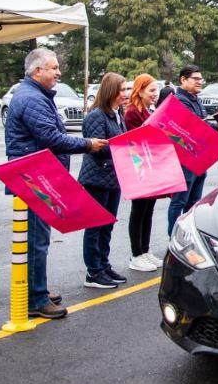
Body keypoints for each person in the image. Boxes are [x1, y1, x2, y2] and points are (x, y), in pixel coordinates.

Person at [4, 48, 107, 319]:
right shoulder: (32, 99)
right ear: (37, 71)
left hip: (38, 175)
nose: (58, 72)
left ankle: (36, 287)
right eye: (53, 68)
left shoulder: (36, 95)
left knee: (38, 239)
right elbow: (52, 137)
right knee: (37, 240)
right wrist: (88, 144)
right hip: (34, 177)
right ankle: (36, 298)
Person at [78, 73, 131, 289]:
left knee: (107, 224)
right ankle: (93, 271)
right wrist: (123, 145)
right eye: (122, 90)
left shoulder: (117, 114)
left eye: (127, 90)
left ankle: (103, 264)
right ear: (110, 91)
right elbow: (97, 148)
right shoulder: (96, 116)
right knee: (95, 226)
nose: (125, 94)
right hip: (97, 179)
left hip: (112, 179)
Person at [124, 74, 164, 272]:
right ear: (139, 91)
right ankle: (136, 254)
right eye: (151, 91)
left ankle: (145, 250)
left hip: (151, 167)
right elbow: (136, 139)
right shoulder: (132, 112)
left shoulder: (148, 111)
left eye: (156, 90)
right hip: (139, 168)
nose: (155, 95)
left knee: (148, 210)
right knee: (139, 211)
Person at [166, 65, 209, 236]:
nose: (199, 82)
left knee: (193, 202)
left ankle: (189, 237)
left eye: (201, 79)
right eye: (195, 79)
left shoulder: (195, 99)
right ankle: (173, 236)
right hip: (185, 158)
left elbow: (204, 122)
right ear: (183, 80)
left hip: (199, 157)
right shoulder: (180, 100)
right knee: (179, 201)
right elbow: (195, 124)